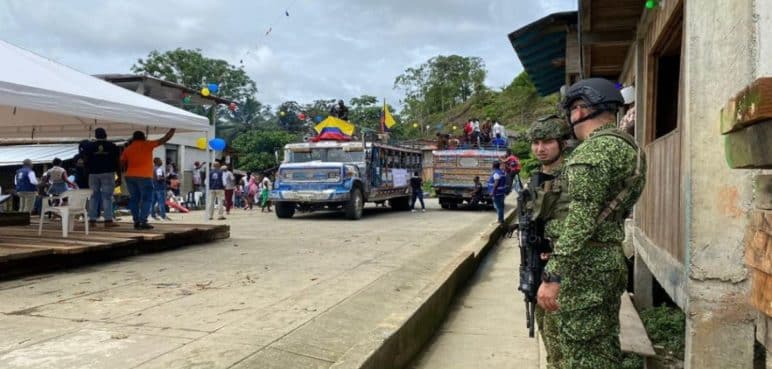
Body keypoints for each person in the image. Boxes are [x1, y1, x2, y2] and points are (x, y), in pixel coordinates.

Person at [536, 78, 646, 369]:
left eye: (572, 109)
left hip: (584, 265)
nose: (571, 117)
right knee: (602, 344)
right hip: (606, 257)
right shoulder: (629, 147)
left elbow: (581, 220)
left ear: (583, 109)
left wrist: (553, 275)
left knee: (582, 353)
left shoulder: (592, 153)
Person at [518, 116, 572, 369]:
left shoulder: (574, 175)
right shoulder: (537, 178)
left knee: (565, 346)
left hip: (564, 272)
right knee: (550, 340)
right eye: (536, 143)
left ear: (562, 143)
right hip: (539, 267)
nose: (540, 148)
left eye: (548, 142)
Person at [120, 129, 175, 230]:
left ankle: (136, 221)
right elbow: (164, 139)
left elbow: (122, 162)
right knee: (147, 199)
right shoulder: (147, 144)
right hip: (145, 177)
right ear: (143, 137)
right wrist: (172, 130)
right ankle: (143, 222)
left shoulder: (128, 149)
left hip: (130, 176)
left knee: (134, 199)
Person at [81, 128, 122, 226]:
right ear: (106, 135)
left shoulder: (89, 146)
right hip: (108, 173)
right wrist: (119, 175)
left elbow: (85, 161)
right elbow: (117, 162)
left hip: (93, 174)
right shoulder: (112, 146)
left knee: (93, 197)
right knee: (107, 197)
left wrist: (86, 174)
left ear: (96, 136)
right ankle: (108, 220)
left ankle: (92, 220)